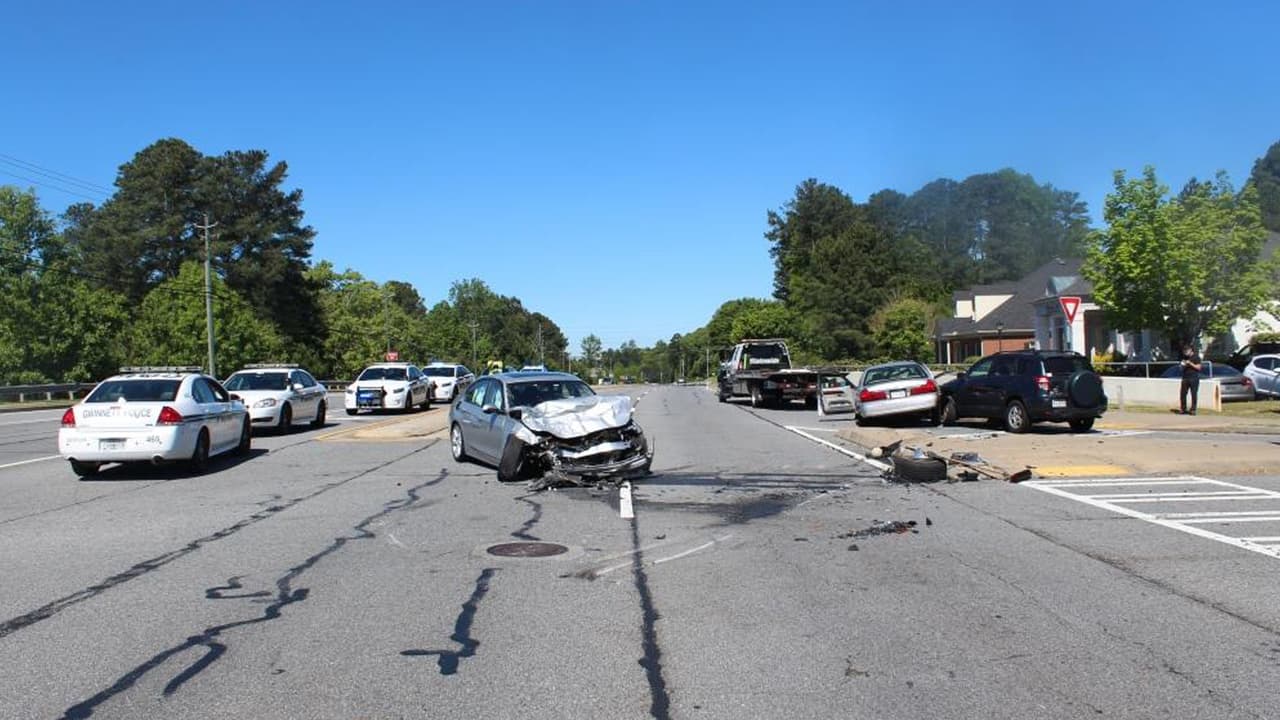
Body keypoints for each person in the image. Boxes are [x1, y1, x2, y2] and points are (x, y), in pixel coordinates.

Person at [1179, 345, 1202, 415]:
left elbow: (1199, 368)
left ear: (1191, 350)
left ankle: (1193, 410)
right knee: (1182, 394)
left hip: (1194, 378)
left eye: (1186, 350)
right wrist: (1181, 365)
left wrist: (1190, 363)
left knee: (1193, 394)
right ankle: (1183, 409)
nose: (1185, 352)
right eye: (1184, 351)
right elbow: (1181, 368)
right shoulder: (1184, 358)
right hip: (1185, 378)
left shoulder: (1196, 357)